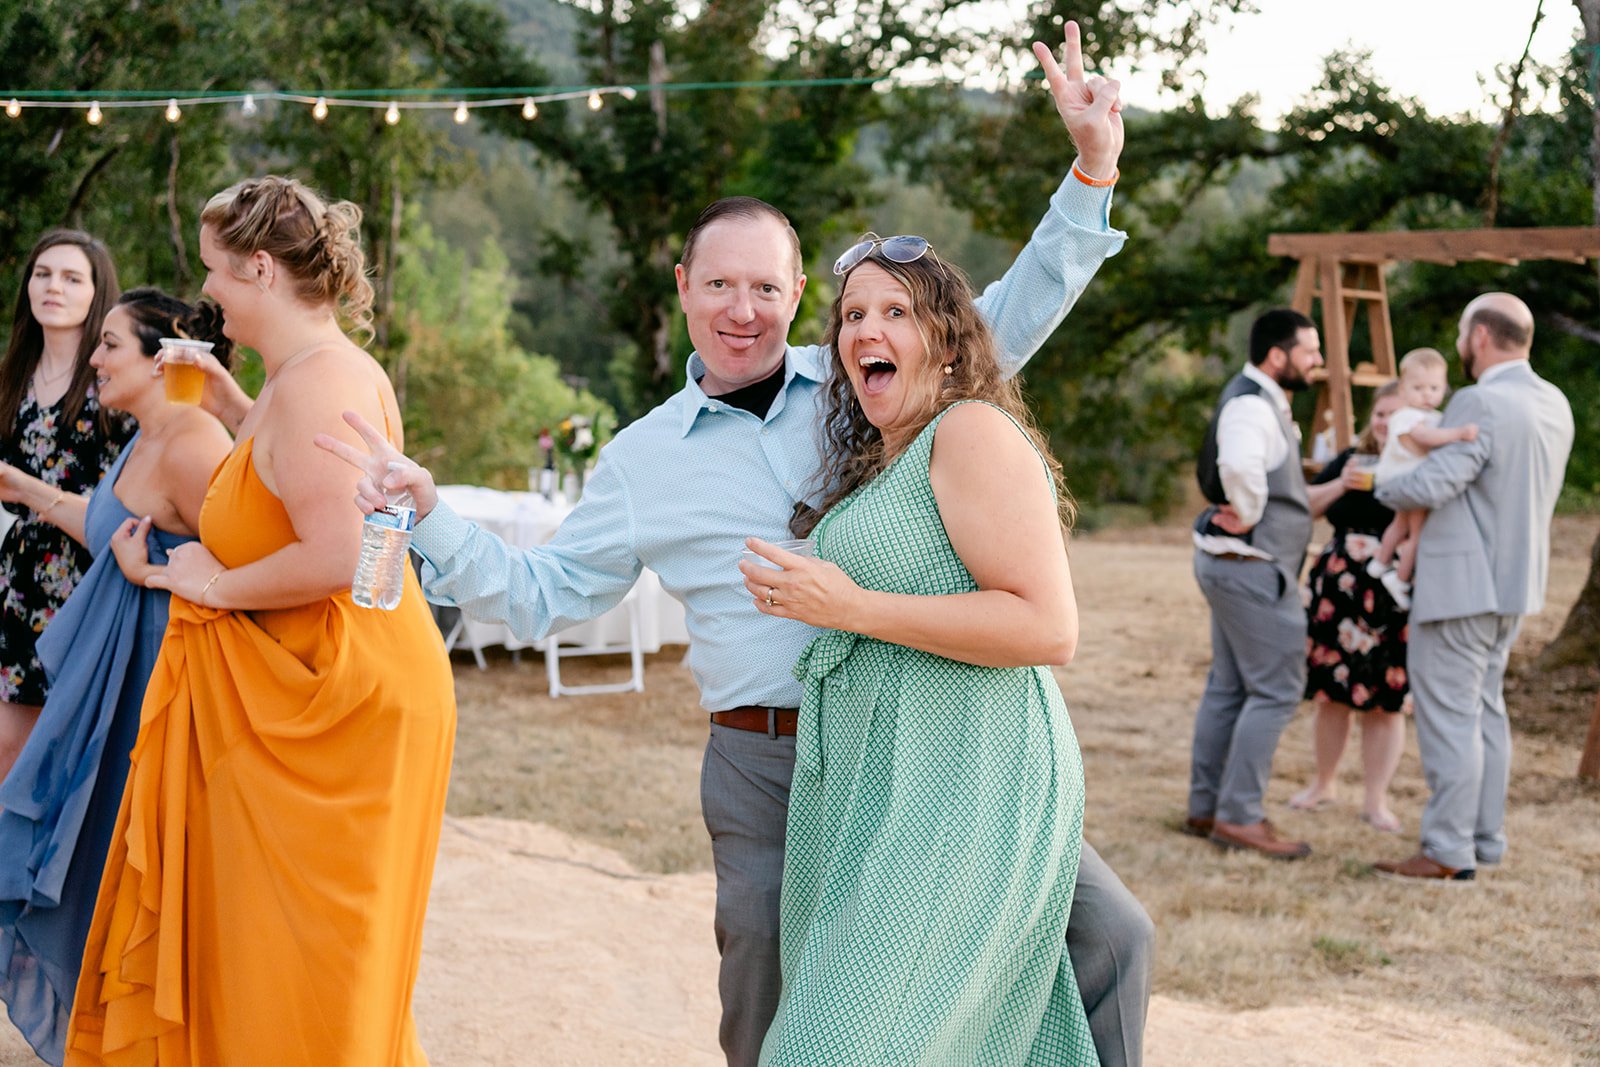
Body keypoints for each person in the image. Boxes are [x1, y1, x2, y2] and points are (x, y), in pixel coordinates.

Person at [322, 26, 1155, 1067]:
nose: (743, 310)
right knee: (770, 1014)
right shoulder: (643, 459)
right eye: (719, 285)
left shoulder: (868, 377)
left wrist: (1091, 173)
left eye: (766, 287)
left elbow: (1002, 318)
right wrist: (434, 513)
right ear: (683, 286)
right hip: (768, 759)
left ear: (797, 294)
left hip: (927, 738)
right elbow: (543, 592)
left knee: (1105, 937)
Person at [65, 176, 456, 1064]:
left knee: (302, 963)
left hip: (336, 702)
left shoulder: (325, 381)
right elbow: (281, 481)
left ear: (262, 270)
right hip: (299, 689)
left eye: (216, 271)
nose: (208, 293)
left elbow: (339, 552)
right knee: (263, 953)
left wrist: (210, 586)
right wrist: (232, 408)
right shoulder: (294, 376)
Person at [739, 235, 1092, 1064]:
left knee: (834, 1047)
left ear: (947, 340)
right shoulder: (885, 456)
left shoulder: (968, 431)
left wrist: (852, 607)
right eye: (853, 314)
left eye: (896, 311)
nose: (867, 329)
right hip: (882, 787)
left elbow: (1049, 627)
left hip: (962, 780)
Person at [0, 289, 233, 1065]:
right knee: (98, 849)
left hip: (161, 680)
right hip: (113, 681)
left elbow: (247, 562)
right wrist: (26, 490)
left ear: (162, 359)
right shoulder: (144, 436)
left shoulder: (195, 442)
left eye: (109, 344)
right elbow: (110, 529)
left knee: (137, 856)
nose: (94, 359)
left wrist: (156, 577)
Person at [1373, 292, 1573, 882]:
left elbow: (1432, 483)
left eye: (1463, 336)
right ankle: (1485, 839)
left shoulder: (1479, 400)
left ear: (1479, 337)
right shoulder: (1554, 401)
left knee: (1451, 719)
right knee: (1486, 712)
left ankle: (1447, 849)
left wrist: (1382, 482)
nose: (1461, 347)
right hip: (1517, 583)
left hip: (1461, 586)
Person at [1186, 307, 1321, 859]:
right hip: (1252, 567)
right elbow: (1242, 467)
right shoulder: (1252, 404)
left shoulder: (1262, 399)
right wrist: (1248, 510)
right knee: (1277, 690)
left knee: (1231, 684)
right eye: (1310, 351)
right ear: (1277, 355)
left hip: (1235, 565)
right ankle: (1239, 816)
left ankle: (1207, 806)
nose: (1318, 362)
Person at [0, 230, 126, 784]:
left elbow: (127, 505)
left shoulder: (113, 387)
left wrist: (25, 487)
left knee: (67, 758)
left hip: (86, 581)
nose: (54, 287)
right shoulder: (12, 378)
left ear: (97, 294)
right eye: (43, 274)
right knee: (8, 749)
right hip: (16, 581)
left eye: (72, 278)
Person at [1289, 381, 1409, 833]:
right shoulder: (1350, 459)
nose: (1385, 422)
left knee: (1385, 702)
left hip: (1391, 593)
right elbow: (1305, 506)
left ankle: (1376, 801)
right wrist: (1342, 482)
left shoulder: (1420, 465)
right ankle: (1323, 784)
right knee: (1331, 694)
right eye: (1380, 413)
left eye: (1396, 414)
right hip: (1337, 590)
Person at [1364, 347, 1479, 609]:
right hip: (1407, 483)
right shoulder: (1407, 416)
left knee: (1400, 524)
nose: (1427, 394)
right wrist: (1458, 433)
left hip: (1402, 481)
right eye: (1418, 388)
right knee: (1417, 534)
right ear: (1403, 390)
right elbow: (1424, 438)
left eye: (1434, 388)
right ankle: (1400, 579)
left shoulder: (1430, 416)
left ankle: (1381, 562)